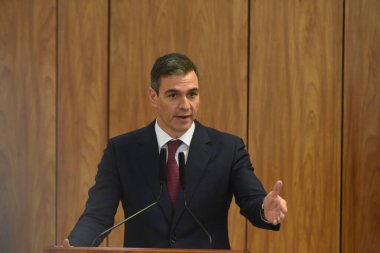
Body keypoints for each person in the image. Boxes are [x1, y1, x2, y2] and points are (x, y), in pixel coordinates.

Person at [62, 52, 287, 249]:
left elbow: (252, 200)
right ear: (153, 96)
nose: (185, 105)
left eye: (192, 94)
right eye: (173, 95)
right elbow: (98, 215)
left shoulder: (228, 149)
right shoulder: (121, 151)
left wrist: (263, 210)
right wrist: (74, 247)